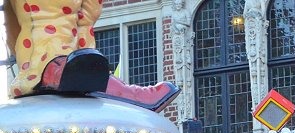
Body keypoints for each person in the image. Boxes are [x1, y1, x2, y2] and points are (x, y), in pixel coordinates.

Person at [4, 0, 179, 109]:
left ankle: (50, 67)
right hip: (49, 58)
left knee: (82, 16)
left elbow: (12, 28)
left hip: (46, 61)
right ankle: (50, 66)